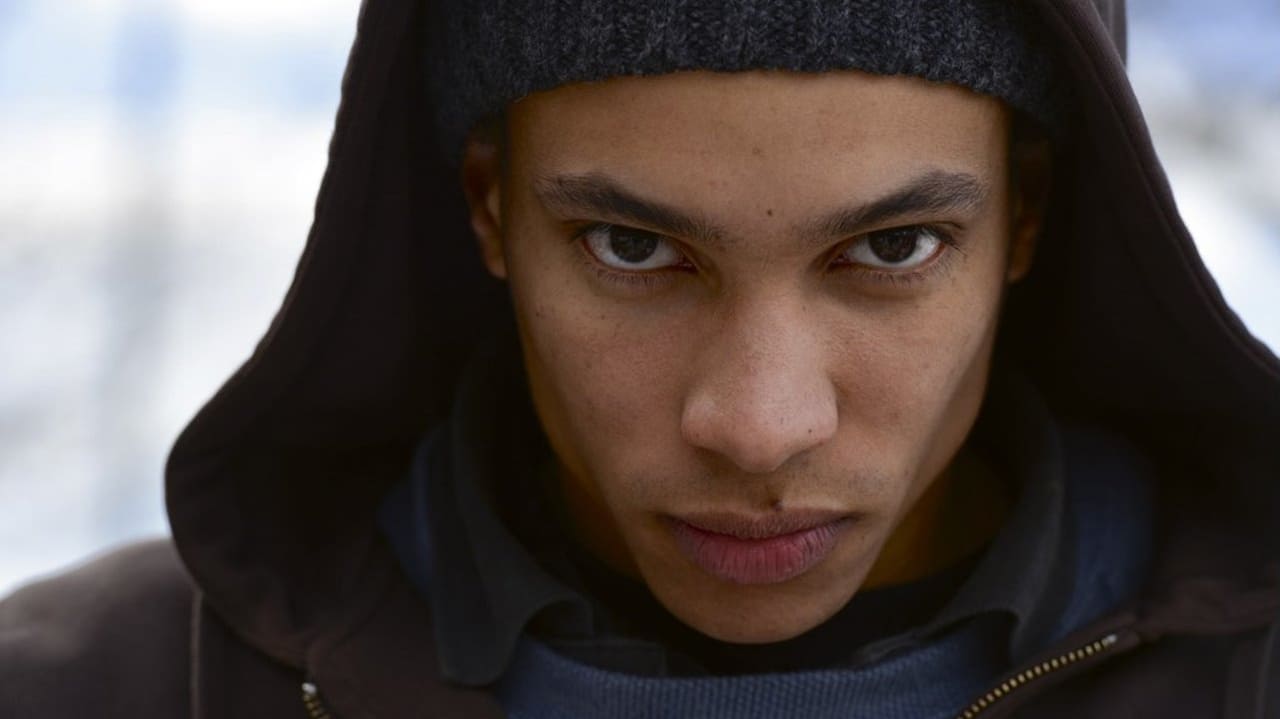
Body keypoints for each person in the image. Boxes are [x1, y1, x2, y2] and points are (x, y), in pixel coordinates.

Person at [3, 0, 1278, 717]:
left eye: (890, 249)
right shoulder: (97, 689)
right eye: (632, 247)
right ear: (488, 208)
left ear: (1029, 215)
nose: (759, 423)